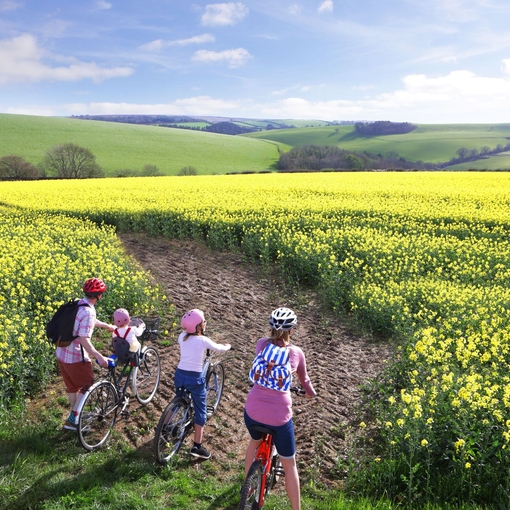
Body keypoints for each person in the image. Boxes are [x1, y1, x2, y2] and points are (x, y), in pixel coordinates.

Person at [243, 307, 316, 510]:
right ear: (291, 330)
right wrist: (310, 393)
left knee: (254, 443)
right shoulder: (296, 353)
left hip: (252, 411)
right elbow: (305, 380)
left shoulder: (261, 344)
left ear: (271, 327)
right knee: (290, 464)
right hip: (279, 417)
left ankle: (247, 488)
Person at [55, 278, 115, 431]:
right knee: (87, 385)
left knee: (73, 387)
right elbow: (83, 339)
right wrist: (99, 356)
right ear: (99, 296)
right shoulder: (89, 311)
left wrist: (106, 326)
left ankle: (75, 415)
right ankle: (74, 420)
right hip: (76, 357)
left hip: (62, 353)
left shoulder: (77, 303)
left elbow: (86, 320)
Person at [176, 308, 231, 460]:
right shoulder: (203, 341)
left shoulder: (182, 337)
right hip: (195, 379)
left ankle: (166, 424)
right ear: (199, 326)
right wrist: (227, 346)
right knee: (201, 408)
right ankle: (197, 446)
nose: (205, 322)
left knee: (180, 397)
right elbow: (218, 348)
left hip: (179, 375)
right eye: (203, 321)